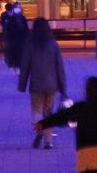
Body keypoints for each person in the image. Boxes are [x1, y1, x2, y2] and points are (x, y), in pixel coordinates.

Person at [20, 17, 69, 147]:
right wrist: (63, 87)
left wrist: (22, 84)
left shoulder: (30, 44)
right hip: (52, 85)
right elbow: (60, 67)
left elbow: (25, 66)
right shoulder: (53, 44)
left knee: (37, 110)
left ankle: (39, 130)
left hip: (36, 84)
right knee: (48, 111)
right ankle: (48, 142)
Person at [0, 1, 30, 72]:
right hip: (16, 38)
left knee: (16, 51)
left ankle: (16, 64)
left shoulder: (18, 17)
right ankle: (16, 64)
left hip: (17, 38)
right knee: (16, 51)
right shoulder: (17, 17)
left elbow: (25, 28)